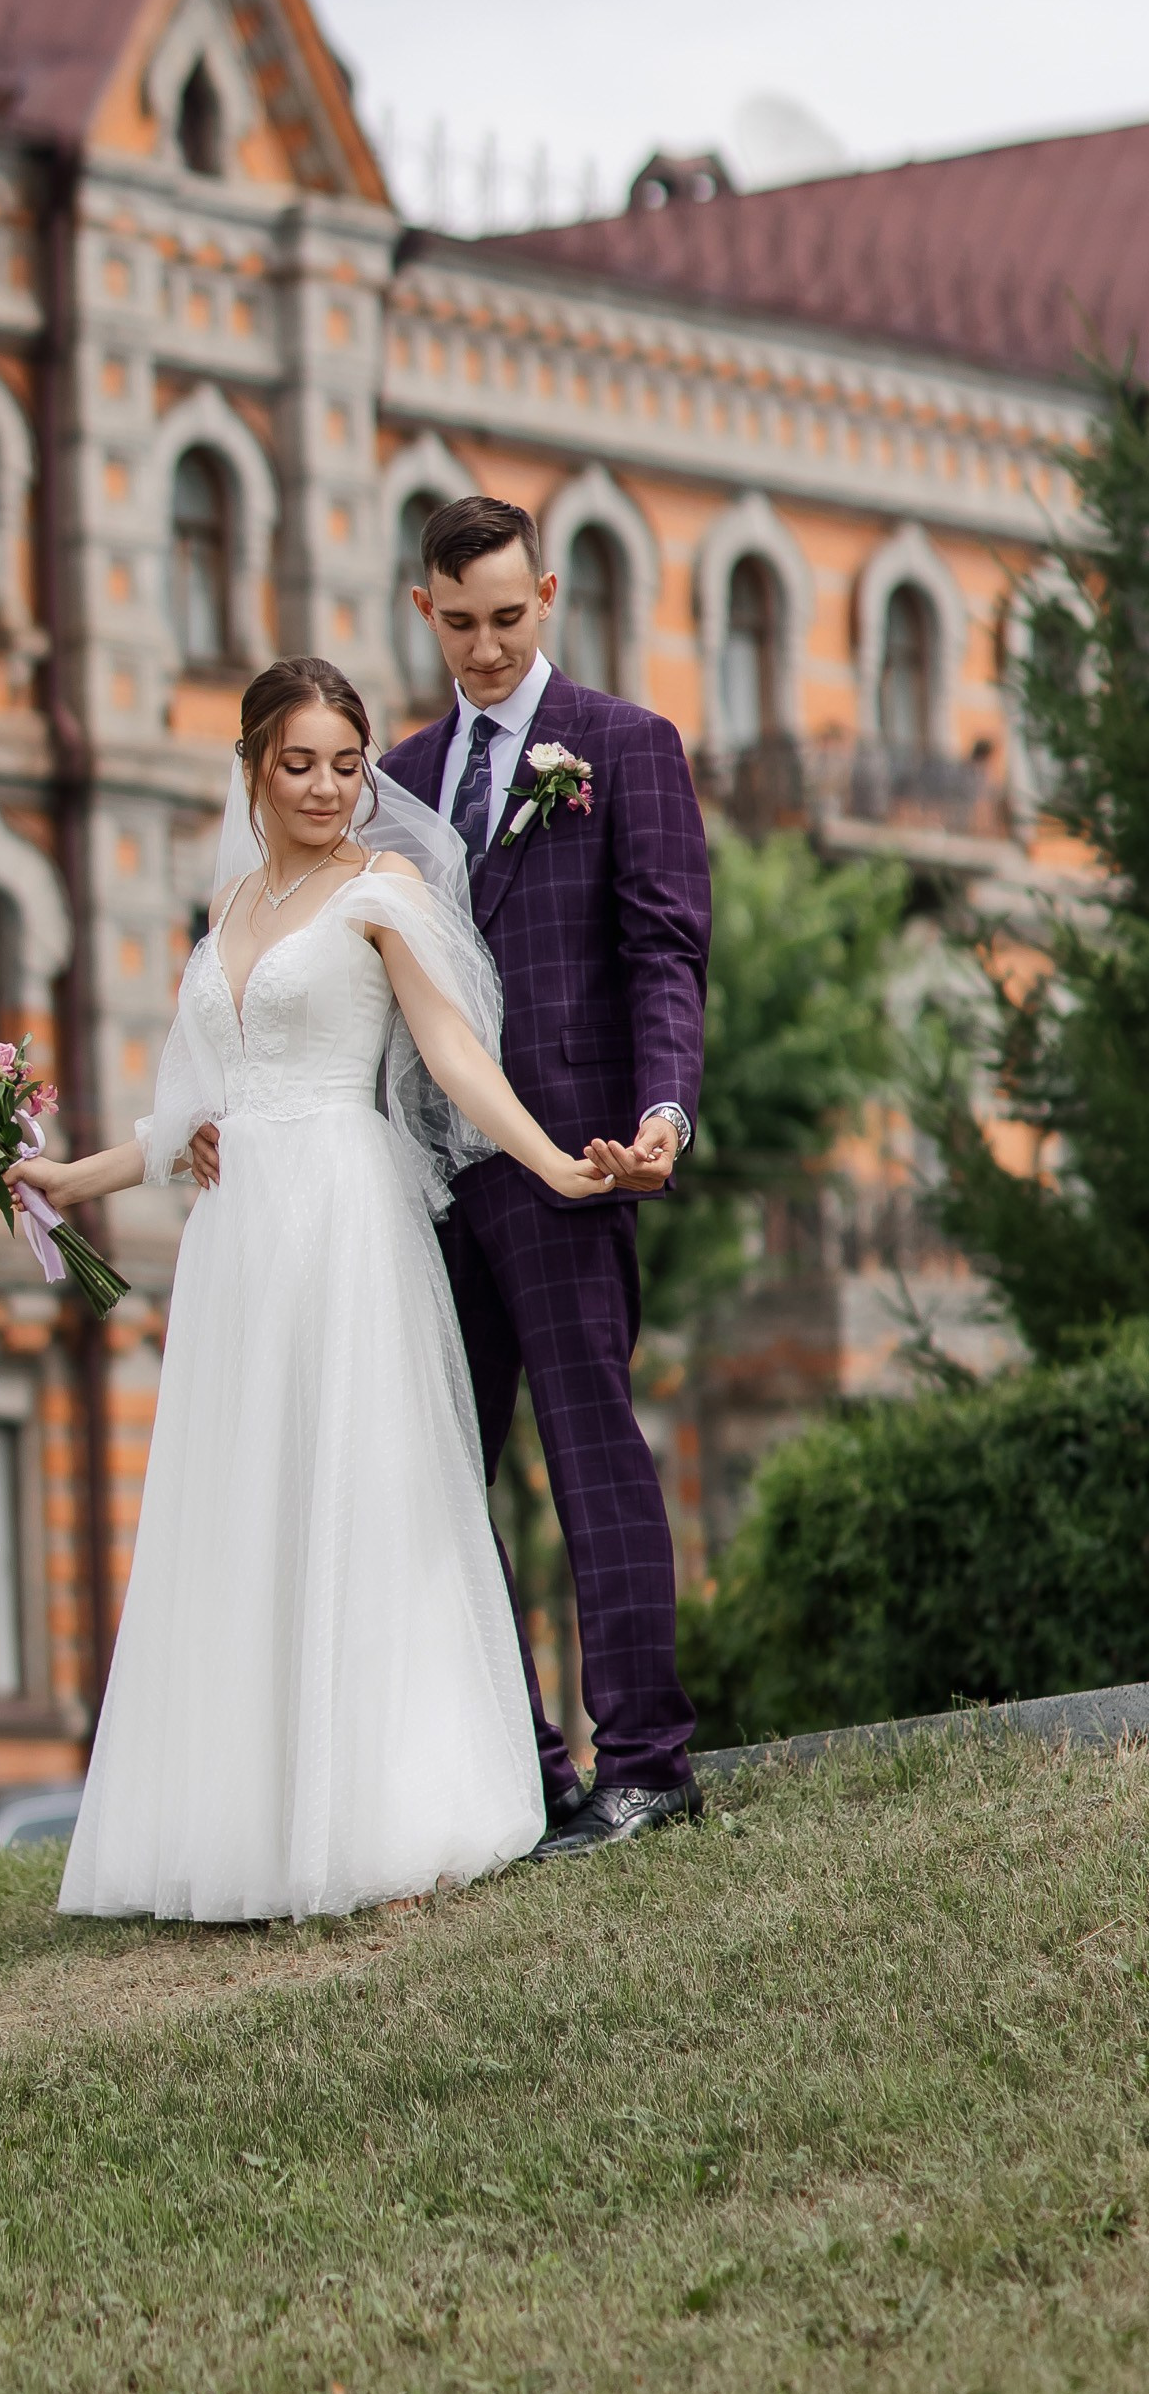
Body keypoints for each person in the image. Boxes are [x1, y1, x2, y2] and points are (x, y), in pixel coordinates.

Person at [6, 655, 615, 1924]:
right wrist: (74, 1176)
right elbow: (192, 1112)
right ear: (250, 770)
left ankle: (387, 1807)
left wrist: (553, 1160)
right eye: (300, 765)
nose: (330, 788)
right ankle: (240, 1822)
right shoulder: (223, 907)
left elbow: (448, 1047)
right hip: (236, 1243)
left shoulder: (382, 888)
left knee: (358, 1495)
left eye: (348, 763)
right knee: (244, 1507)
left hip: (342, 1214)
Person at [371, 493, 712, 1857]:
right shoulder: (389, 782)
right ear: (424, 613)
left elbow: (663, 954)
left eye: (509, 617)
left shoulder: (627, 748)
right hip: (426, 1183)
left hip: (572, 1162)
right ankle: (523, 1766)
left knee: (589, 1457)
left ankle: (646, 1764)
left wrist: (663, 1117)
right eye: (460, 623)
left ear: (549, 595)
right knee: (440, 1474)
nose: (488, 646)